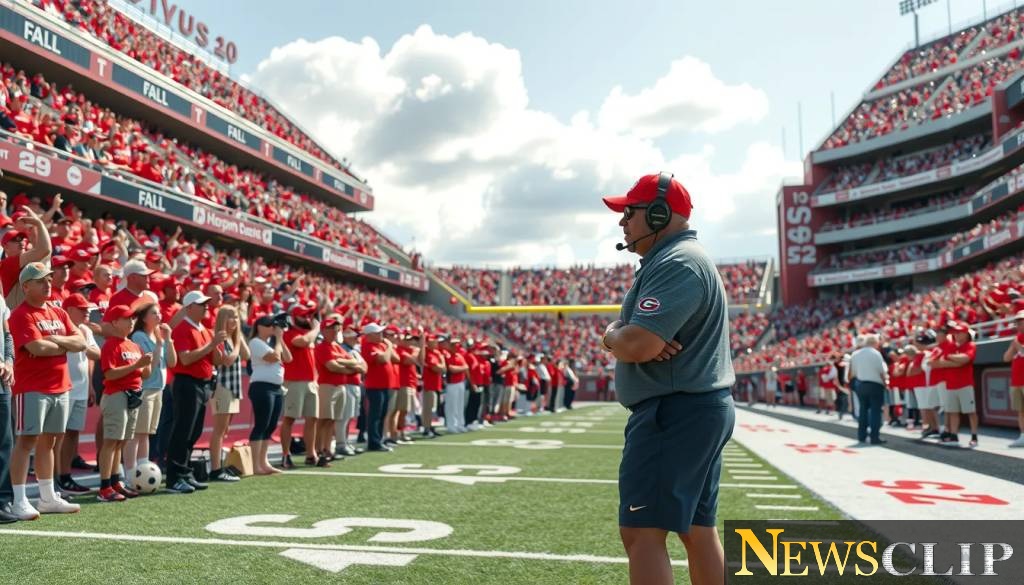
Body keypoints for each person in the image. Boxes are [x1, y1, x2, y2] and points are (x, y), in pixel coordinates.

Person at [600, 172, 735, 585]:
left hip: (673, 411)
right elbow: (638, 339)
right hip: (692, 408)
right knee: (696, 529)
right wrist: (624, 335)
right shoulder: (676, 259)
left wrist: (613, 335)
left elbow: (638, 344)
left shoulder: (677, 263)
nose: (623, 222)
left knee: (642, 531)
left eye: (630, 212)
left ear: (659, 214)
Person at [8, 262, 87, 519]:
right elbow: (36, 348)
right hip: (32, 388)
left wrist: (55, 341)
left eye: (49, 279)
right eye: (41, 280)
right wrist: (64, 345)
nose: (47, 284)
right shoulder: (20, 315)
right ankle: (19, 499)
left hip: (60, 386)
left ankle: (47, 497)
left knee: (51, 441)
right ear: (26, 286)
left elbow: (80, 342)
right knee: (26, 441)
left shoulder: (58, 312)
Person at [166, 290, 225, 494]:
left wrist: (216, 346)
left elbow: (217, 361)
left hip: (203, 384)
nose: (206, 307)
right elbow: (185, 359)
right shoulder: (183, 328)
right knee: (183, 430)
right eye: (201, 304)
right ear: (189, 307)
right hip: (186, 383)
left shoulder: (205, 330)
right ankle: (175, 477)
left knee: (194, 431)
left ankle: (185, 472)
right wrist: (212, 344)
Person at [97, 305, 152, 502]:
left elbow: (143, 374)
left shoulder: (133, 345)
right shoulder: (111, 344)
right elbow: (110, 374)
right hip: (116, 395)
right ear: (114, 322)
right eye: (126, 319)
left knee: (120, 442)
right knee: (111, 441)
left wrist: (145, 366)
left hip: (132, 395)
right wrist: (137, 365)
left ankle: (114, 482)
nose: (131, 322)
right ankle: (104, 486)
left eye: (132, 319)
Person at [126, 297, 175, 480]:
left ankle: (143, 468)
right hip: (146, 388)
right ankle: (131, 473)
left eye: (159, 312)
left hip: (157, 389)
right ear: (144, 318)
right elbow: (149, 368)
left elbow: (172, 362)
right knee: (137, 433)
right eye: (154, 313)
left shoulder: (157, 336)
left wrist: (168, 340)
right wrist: (159, 346)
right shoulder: (139, 336)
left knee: (146, 432)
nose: (159, 316)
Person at [55, 293, 99, 496]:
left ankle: (65, 476)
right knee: (58, 435)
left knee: (72, 433)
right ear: (70, 310)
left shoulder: (84, 330)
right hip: (63, 387)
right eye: (82, 309)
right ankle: (55, 478)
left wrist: (90, 385)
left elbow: (96, 354)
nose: (87, 311)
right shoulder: (61, 326)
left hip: (80, 388)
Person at [209, 305, 249, 481]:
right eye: (231, 317)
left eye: (236, 317)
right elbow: (227, 360)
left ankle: (220, 465)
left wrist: (238, 336)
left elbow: (246, 355)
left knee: (224, 430)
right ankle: (216, 469)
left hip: (233, 387)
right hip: (222, 387)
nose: (234, 320)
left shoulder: (233, 338)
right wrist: (237, 341)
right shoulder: (219, 337)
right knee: (219, 430)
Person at [248, 315, 291, 475]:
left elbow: (288, 358)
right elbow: (274, 357)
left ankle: (263, 462)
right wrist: (278, 339)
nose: (273, 328)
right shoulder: (255, 342)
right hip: (262, 387)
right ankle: (255, 465)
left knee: (271, 425)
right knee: (261, 424)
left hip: (276, 388)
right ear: (260, 327)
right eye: (270, 325)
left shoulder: (272, 343)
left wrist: (280, 339)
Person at [314, 315, 359, 465]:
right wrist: (348, 368)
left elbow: (354, 362)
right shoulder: (322, 347)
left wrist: (343, 363)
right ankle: (319, 451)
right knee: (324, 420)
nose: (334, 331)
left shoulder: (337, 347)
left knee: (331, 420)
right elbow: (331, 366)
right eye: (330, 328)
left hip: (340, 386)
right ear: (323, 330)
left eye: (335, 328)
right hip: (328, 386)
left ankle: (327, 450)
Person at [279, 304, 320, 469]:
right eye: (304, 316)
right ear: (294, 318)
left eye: (309, 316)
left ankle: (311, 454)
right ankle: (285, 455)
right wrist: (316, 329)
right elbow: (303, 342)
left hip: (310, 381)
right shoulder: (289, 334)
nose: (308, 319)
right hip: (294, 381)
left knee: (313, 418)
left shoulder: (306, 334)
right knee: (290, 418)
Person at [931, 321, 978, 448]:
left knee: (971, 411)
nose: (956, 335)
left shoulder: (970, 345)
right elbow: (937, 362)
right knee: (953, 412)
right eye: (955, 333)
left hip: (965, 383)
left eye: (959, 332)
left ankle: (974, 436)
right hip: (951, 384)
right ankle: (954, 435)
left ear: (966, 333)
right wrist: (956, 361)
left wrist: (950, 359)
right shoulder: (951, 346)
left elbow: (966, 359)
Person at [847, 333, 889, 445]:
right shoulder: (876, 353)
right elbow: (881, 371)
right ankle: (874, 437)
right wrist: (885, 383)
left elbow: (852, 373)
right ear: (875, 343)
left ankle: (861, 435)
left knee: (863, 410)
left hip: (861, 384)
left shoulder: (855, 354)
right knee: (875, 411)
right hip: (875, 384)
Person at [361, 322, 396, 452]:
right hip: (374, 385)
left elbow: (395, 358)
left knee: (382, 414)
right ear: (370, 335)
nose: (382, 335)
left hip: (384, 385)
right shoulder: (368, 346)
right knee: (375, 415)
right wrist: (390, 346)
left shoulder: (380, 345)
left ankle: (379, 440)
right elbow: (384, 359)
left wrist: (388, 348)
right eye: (378, 333)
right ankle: (374, 442)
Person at [335, 323, 366, 456]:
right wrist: (356, 366)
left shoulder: (354, 350)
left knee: (349, 416)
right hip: (346, 384)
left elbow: (364, 368)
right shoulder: (342, 349)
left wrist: (356, 366)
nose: (358, 339)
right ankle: (341, 444)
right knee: (344, 416)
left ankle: (345, 442)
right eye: (355, 336)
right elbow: (343, 364)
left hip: (354, 384)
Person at [0, 287, 17, 524]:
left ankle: (3, 501)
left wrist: (10, 362)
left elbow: (7, 335)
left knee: (5, 443)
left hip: (2, 381)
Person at [1003, 311, 1024, 448]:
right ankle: (1023, 436)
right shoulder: (1017, 338)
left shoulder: (1017, 341)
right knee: (1021, 410)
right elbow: (1006, 358)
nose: (1019, 324)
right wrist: (1015, 345)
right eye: (1018, 322)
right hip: (1016, 381)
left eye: (1021, 321)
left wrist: (1018, 346)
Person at [420, 334, 445, 438]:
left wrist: (441, 364)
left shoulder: (436, 353)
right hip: (429, 384)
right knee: (429, 408)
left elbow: (444, 368)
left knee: (434, 408)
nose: (435, 343)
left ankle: (432, 427)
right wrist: (441, 364)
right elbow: (436, 368)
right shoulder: (428, 353)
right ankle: (427, 428)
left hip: (436, 384)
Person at [442, 337, 469, 433]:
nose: (456, 347)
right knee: (451, 406)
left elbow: (466, 367)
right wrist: (462, 368)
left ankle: (460, 424)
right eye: (454, 345)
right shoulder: (448, 356)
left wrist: (461, 368)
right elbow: (452, 369)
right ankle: (451, 425)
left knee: (460, 405)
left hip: (461, 382)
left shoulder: (460, 356)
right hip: (452, 383)